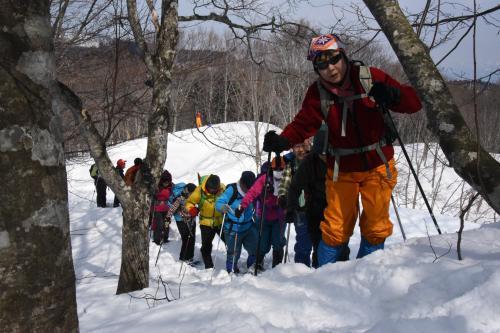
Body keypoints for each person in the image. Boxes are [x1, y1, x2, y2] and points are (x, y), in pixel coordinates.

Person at [263, 33, 422, 266]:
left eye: (333, 59)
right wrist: (283, 140)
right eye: (321, 64)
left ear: (343, 55)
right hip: (341, 169)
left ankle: (365, 275)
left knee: (376, 227)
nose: (330, 68)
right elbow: (303, 123)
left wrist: (394, 95)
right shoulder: (317, 93)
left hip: (378, 164)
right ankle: (326, 279)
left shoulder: (369, 77)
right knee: (335, 229)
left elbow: (413, 103)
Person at [286, 125, 349, 268]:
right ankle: (318, 274)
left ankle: (343, 271)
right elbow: (295, 186)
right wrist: (291, 208)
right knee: (319, 244)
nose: (324, 158)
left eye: (327, 155)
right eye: (322, 155)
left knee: (341, 243)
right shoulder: (309, 162)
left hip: (338, 207)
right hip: (315, 208)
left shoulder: (342, 158)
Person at [239, 158, 286, 269]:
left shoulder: (286, 179)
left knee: (278, 241)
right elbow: (252, 192)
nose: (278, 171)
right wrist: (242, 206)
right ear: (271, 168)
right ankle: (258, 262)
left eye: (281, 169)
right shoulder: (263, 179)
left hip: (280, 216)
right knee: (262, 241)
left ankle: (277, 265)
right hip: (264, 215)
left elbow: (293, 192)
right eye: (276, 169)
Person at [278, 139, 312, 266]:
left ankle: (320, 270)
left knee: (320, 239)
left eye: (303, 145)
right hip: (300, 208)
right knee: (303, 241)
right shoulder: (291, 164)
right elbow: (284, 183)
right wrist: (282, 196)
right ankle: (302, 270)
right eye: (297, 146)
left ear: (308, 145)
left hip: (318, 206)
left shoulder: (317, 159)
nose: (300, 149)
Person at [215, 171, 257, 274]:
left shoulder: (253, 190)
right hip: (233, 227)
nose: (248, 190)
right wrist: (222, 207)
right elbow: (219, 202)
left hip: (248, 225)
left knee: (255, 246)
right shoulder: (232, 190)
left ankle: (252, 264)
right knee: (234, 251)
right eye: (247, 187)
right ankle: (231, 270)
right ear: (242, 183)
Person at [185, 174, 225, 269]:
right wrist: (191, 209)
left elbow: (229, 198)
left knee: (229, 241)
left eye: (215, 189)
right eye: (211, 189)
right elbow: (189, 202)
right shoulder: (200, 190)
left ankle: (231, 264)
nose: (213, 191)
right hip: (205, 223)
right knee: (206, 246)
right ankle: (209, 266)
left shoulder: (222, 188)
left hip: (219, 222)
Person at [167, 182, 197, 263]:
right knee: (186, 239)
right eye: (192, 193)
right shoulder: (180, 198)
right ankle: (183, 258)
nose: (194, 194)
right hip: (181, 221)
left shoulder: (193, 198)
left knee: (192, 238)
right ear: (188, 191)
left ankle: (190, 258)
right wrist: (167, 219)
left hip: (191, 220)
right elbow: (172, 209)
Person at [152, 170, 173, 245]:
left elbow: (173, 196)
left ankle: (165, 238)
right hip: (158, 209)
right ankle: (157, 239)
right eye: (164, 182)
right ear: (161, 181)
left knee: (166, 223)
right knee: (159, 224)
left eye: (167, 182)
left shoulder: (170, 187)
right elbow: (153, 196)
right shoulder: (157, 187)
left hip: (167, 208)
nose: (166, 184)